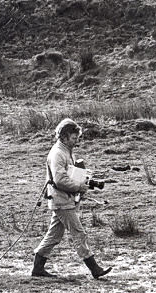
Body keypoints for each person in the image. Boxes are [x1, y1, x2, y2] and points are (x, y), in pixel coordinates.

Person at [32, 118, 112, 279]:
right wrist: (78, 187)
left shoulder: (65, 151)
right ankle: (94, 268)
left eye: (77, 138)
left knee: (54, 236)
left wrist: (84, 182)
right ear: (64, 136)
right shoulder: (58, 154)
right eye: (74, 138)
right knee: (78, 233)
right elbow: (60, 180)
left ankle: (38, 269)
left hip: (63, 199)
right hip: (61, 200)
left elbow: (68, 175)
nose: (76, 141)